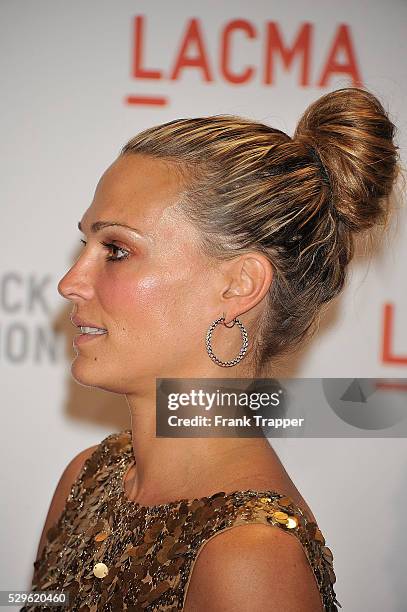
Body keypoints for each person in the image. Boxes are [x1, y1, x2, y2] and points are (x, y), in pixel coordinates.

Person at [23, 86, 398, 611]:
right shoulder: (88, 478)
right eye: (85, 243)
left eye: (116, 249)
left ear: (239, 284)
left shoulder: (250, 559)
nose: (70, 282)